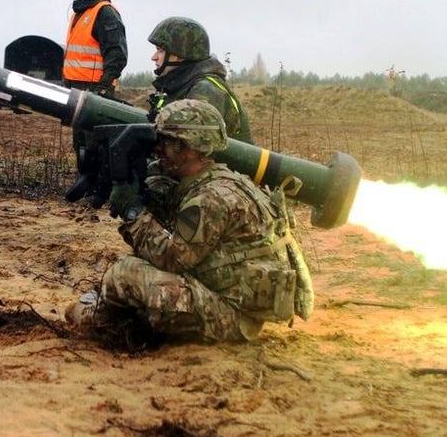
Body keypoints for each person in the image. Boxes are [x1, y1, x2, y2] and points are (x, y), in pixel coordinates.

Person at [66, 99, 312, 343]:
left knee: (124, 275)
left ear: (190, 149)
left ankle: (103, 322)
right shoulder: (217, 179)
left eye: (167, 141)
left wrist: (133, 212)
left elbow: (173, 258)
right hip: (226, 298)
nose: (158, 148)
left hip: (232, 317)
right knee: (135, 269)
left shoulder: (212, 197)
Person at [147, 17, 252, 144]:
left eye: (160, 50)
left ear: (180, 54)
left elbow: (193, 151)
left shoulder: (205, 90)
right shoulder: (178, 86)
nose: (154, 57)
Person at [63, 0, 127, 98]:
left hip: (94, 88)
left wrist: (104, 86)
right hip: (73, 85)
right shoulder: (78, 13)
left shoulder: (105, 12)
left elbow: (116, 53)